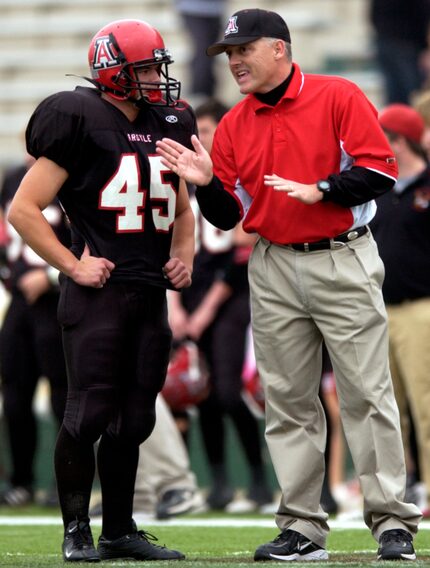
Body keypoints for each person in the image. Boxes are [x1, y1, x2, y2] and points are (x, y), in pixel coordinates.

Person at [156, 8, 422, 562]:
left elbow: (381, 171)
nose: (233, 62)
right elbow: (227, 217)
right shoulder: (231, 124)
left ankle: (392, 521)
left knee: (367, 394)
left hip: (341, 256)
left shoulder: (338, 95)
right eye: (228, 54)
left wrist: (321, 188)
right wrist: (205, 186)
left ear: (278, 48)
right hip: (272, 263)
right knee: (288, 400)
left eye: (242, 50)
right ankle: (302, 527)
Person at [7, 19, 195, 563]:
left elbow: (182, 209)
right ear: (114, 70)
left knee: (136, 417)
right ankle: (76, 531)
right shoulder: (76, 115)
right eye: (143, 68)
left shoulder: (170, 120)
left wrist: (182, 256)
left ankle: (119, 529)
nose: (157, 79)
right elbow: (24, 210)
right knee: (87, 412)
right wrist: (72, 265)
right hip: (99, 292)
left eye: (157, 67)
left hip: (149, 288)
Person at [167, 97, 273, 511]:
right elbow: (170, 244)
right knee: (203, 397)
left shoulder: (234, 175)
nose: (202, 137)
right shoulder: (179, 179)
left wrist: (205, 310)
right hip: (188, 296)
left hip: (229, 298)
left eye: (209, 129)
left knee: (229, 392)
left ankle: (259, 480)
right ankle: (220, 482)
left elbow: (240, 250)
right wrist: (176, 306)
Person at [371, 103, 430, 519]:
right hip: (375, 309)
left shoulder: (428, 185)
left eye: (382, 135)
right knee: (384, 408)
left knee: (425, 403)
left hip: (420, 307)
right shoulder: (375, 185)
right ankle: (395, 492)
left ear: (398, 139)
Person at [0, 154, 68, 507]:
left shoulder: (69, 176)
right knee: (15, 393)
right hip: (20, 304)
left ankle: (66, 481)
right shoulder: (13, 178)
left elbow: (86, 240)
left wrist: (51, 277)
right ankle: (21, 480)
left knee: (63, 394)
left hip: (56, 301)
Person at [369, 0, 430, 105]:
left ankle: (394, 119)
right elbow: (423, 13)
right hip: (408, 44)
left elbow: (373, 16)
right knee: (412, 92)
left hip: (385, 41)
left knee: (393, 91)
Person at [175, 0, 226, 102]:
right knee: (203, 52)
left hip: (216, 10)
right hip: (192, 10)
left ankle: (207, 93)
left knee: (209, 53)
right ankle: (199, 93)